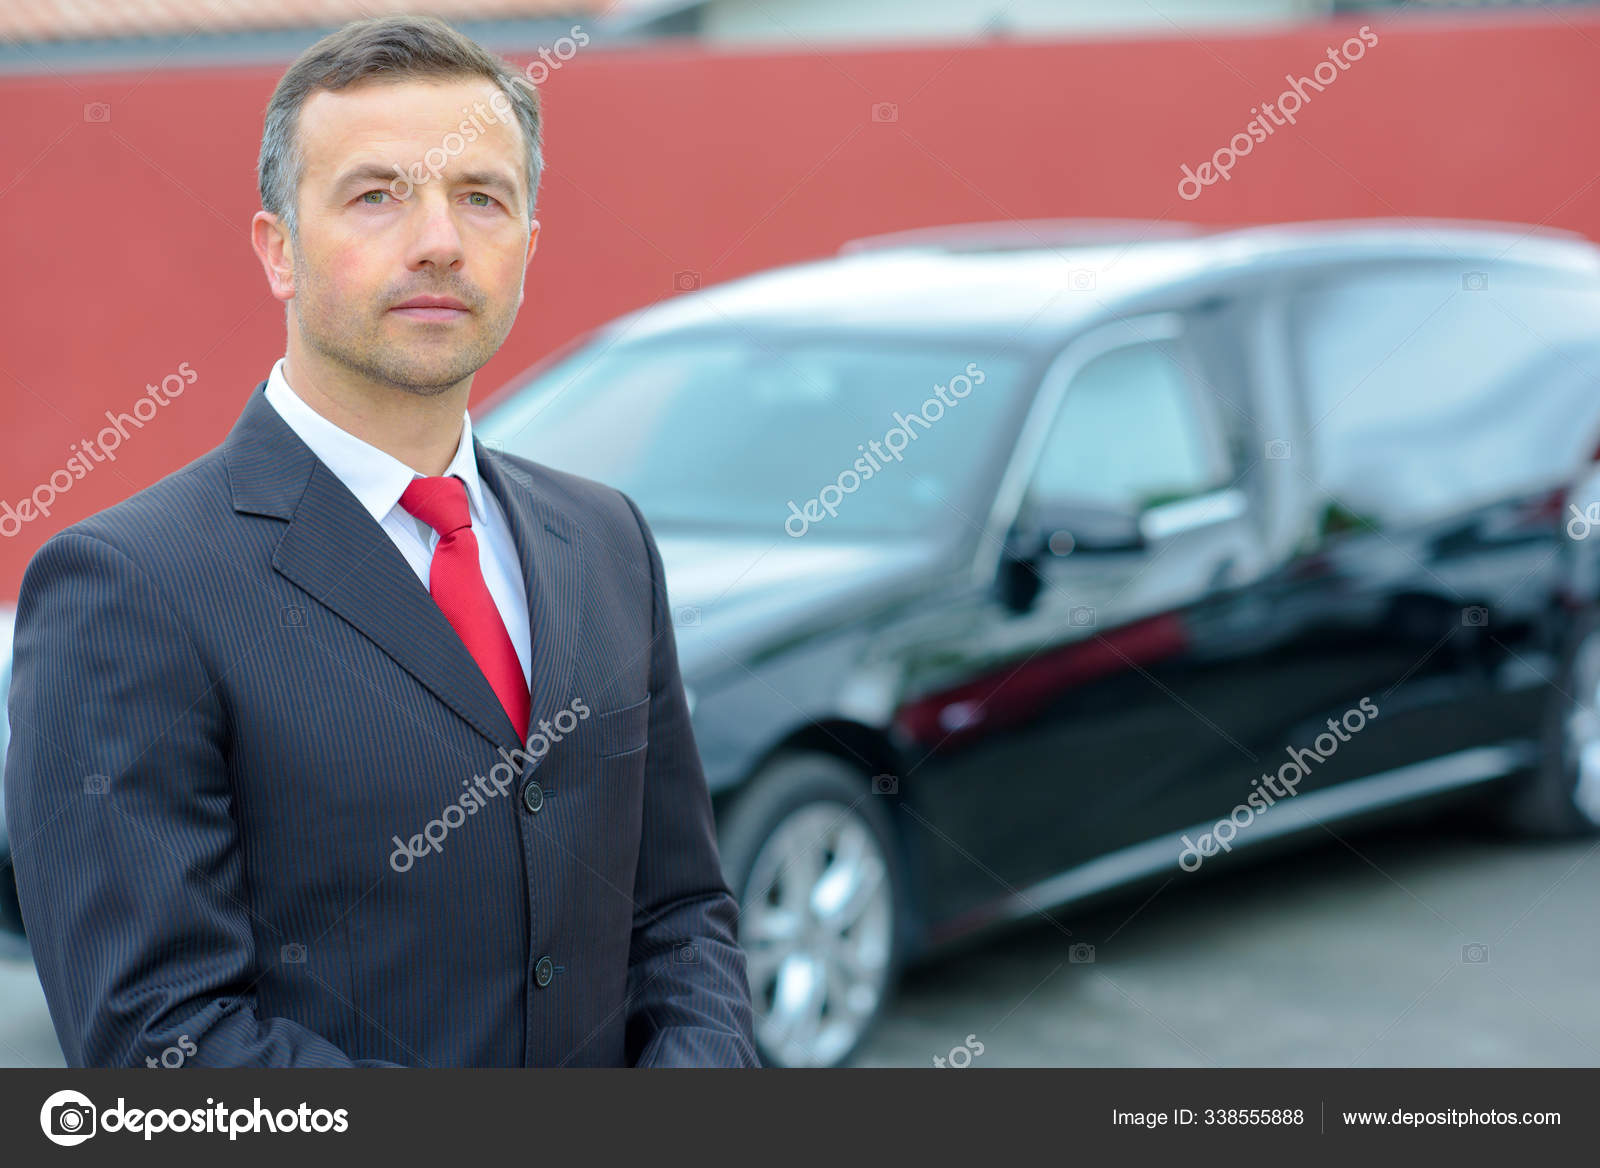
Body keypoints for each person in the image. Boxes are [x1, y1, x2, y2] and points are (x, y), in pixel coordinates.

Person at [3, 14, 758, 1068]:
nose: (440, 238)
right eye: (377, 194)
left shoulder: (607, 539)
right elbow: (159, 1037)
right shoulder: (127, 588)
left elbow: (679, 912)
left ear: (527, 247)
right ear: (280, 249)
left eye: (481, 197)